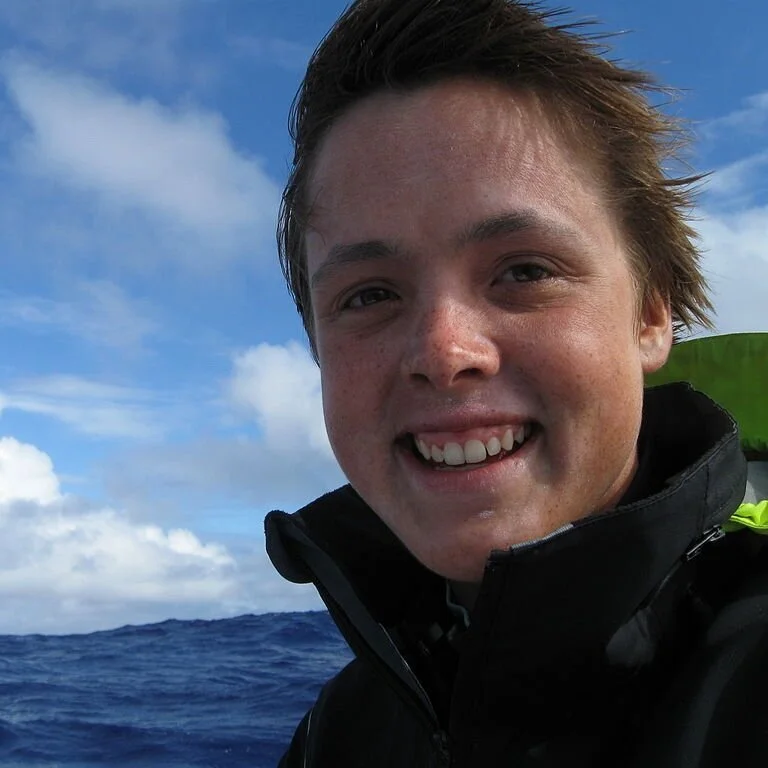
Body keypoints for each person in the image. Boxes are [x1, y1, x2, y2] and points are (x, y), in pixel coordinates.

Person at [265, 0, 768, 765]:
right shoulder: (339, 730)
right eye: (369, 295)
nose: (444, 351)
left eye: (525, 270)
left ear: (651, 315)